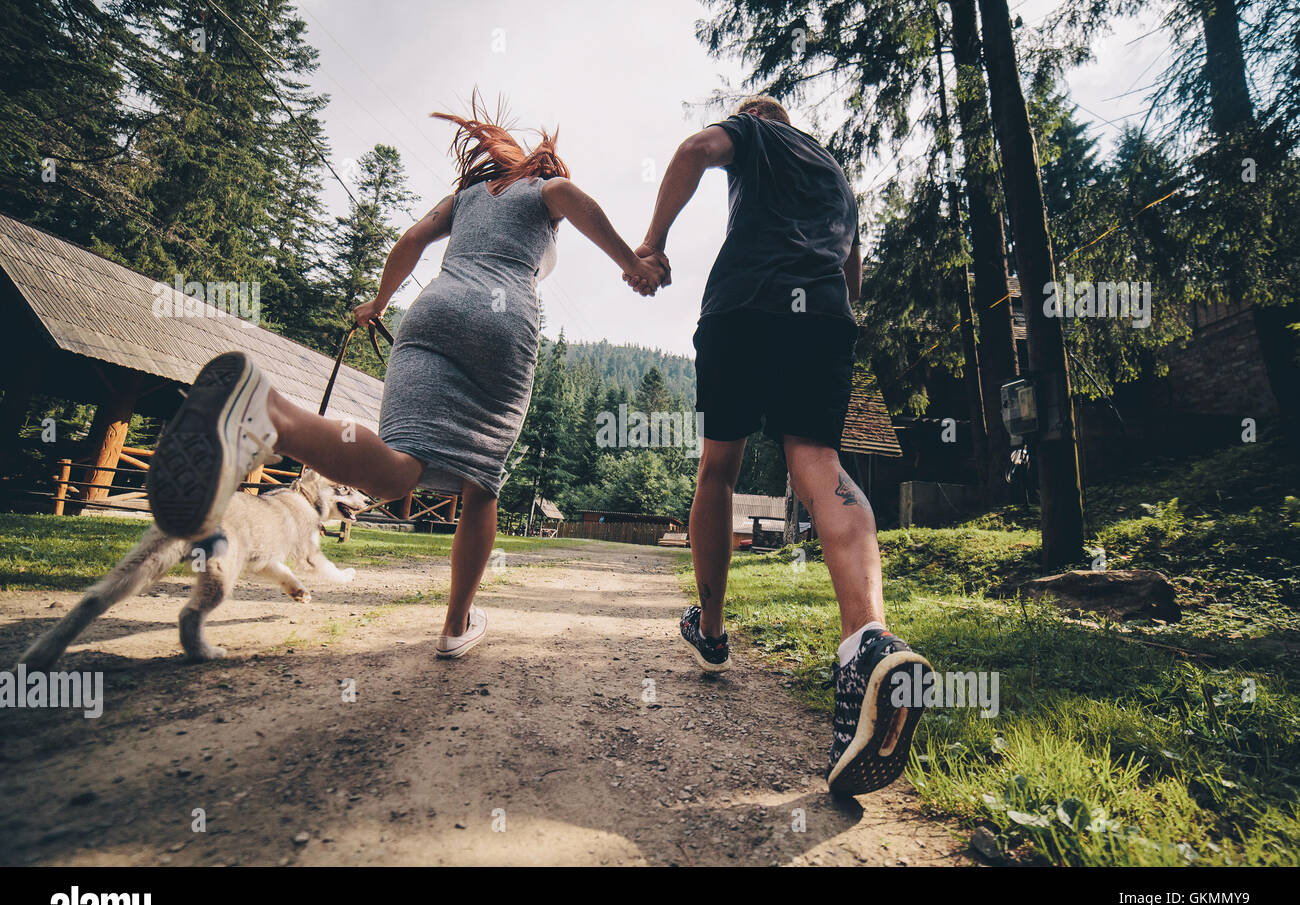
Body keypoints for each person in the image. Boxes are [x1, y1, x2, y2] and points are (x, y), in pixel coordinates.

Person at [147, 96, 667, 660]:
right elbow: (579, 202)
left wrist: (378, 302)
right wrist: (632, 262)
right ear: (540, 165)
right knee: (482, 484)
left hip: (431, 313)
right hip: (503, 323)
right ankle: (454, 624)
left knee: (397, 471)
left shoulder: (464, 199)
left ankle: (268, 411)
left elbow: (412, 241)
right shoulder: (546, 188)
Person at [629, 95, 934, 795]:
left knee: (719, 469)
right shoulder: (835, 173)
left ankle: (710, 629)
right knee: (822, 464)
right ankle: (869, 641)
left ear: (757, 119)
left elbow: (691, 152)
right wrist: (831, 312)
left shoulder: (755, 134)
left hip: (746, 306)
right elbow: (853, 271)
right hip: (823, 319)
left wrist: (653, 243)